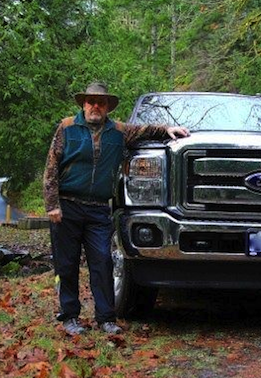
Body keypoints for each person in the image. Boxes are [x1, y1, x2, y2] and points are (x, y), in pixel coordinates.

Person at [43, 82, 190, 335]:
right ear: (83, 104)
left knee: (102, 262)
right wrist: (52, 205)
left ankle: (106, 318)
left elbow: (145, 130)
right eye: (91, 101)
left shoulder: (119, 131)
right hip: (67, 207)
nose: (95, 106)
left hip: (99, 209)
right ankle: (70, 316)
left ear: (108, 106)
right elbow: (51, 167)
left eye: (101, 102)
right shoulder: (67, 128)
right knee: (66, 265)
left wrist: (168, 129)